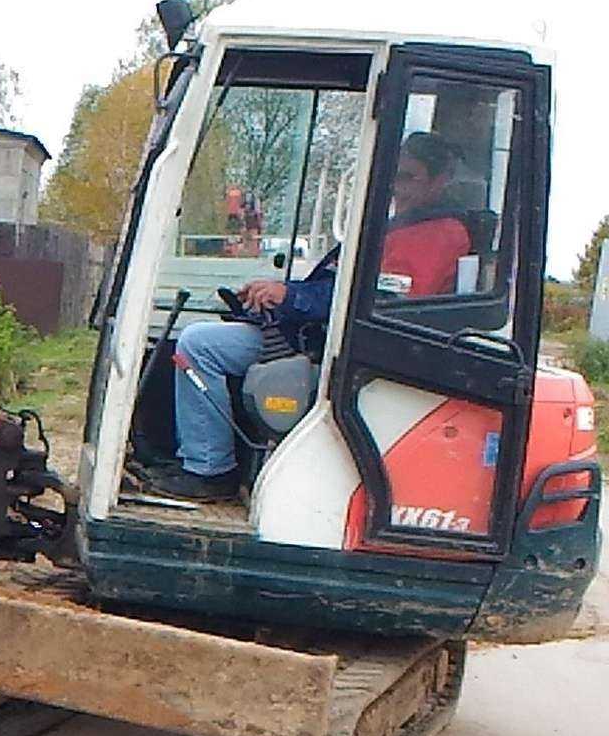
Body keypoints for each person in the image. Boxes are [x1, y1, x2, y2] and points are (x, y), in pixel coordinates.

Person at [147, 131, 471, 501]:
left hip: (346, 350)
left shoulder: (436, 235)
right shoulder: (401, 228)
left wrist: (290, 297)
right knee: (196, 341)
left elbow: (373, 301)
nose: (397, 187)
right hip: (315, 333)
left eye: (409, 177)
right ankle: (200, 459)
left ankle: (209, 470)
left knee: (199, 345)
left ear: (439, 180)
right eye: (395, 176)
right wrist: (281, 297)